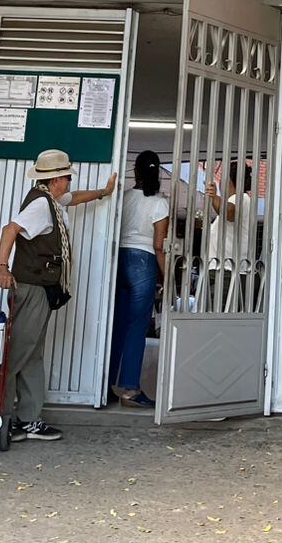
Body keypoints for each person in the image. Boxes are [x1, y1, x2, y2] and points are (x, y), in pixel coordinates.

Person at [0, 149, 116, 442]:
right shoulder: (40, 206)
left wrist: (103, 192)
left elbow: (74, 199)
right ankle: (4, 418)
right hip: (32, 287)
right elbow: (10, 230)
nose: (70, 181)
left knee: (32, 353)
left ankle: (28, 419)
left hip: (41, 287)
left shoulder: (51, 199)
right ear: (57, 179)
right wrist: (1, 267)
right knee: (20, 351)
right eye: (68, 177)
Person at [108, 150, 170, 409]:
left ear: (136, 171)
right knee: (137, 327)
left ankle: (106, 383)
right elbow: (158, 245)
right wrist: (168, 276)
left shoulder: (123, 199)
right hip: (143, 262)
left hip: (119, 259)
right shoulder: (159, 203)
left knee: (117, 326)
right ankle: (131, 390)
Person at [202, 161, 256, 309]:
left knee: (216, 320)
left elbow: (228, 212)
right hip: (223, 270)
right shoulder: (236, 200)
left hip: (227, 272)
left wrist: (214, 197)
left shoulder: (241, 198)